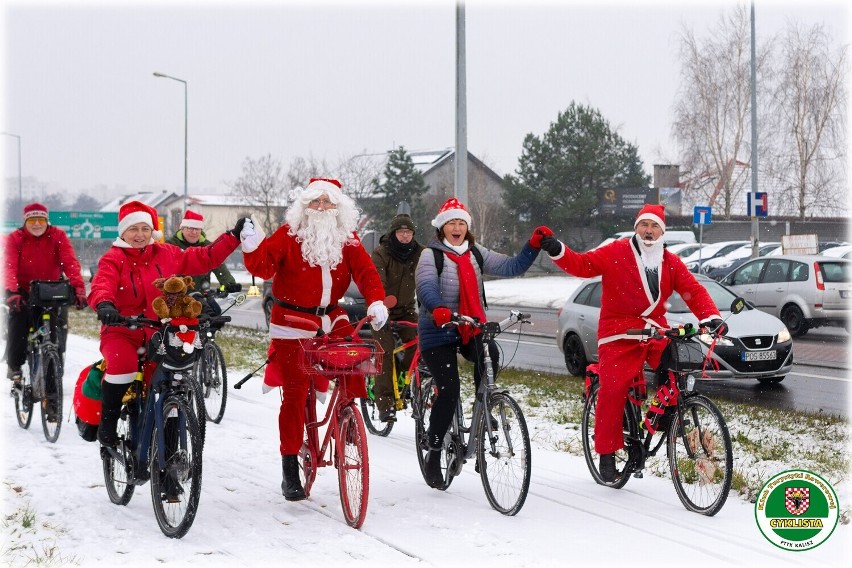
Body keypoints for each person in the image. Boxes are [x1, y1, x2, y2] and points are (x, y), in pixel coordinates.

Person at [537, 204, 726, 482]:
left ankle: (665, 413)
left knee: (676, 358)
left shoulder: (669, 261)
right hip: (619, 331)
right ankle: (607, 453)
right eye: (644, 226)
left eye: (655, 227)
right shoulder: (616, 251)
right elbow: (584, 264)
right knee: (613, 389)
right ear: (636, 227)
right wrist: (558, 250)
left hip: (654, 329)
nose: (649, 232)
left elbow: (693, 290)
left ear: (662, 231)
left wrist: (711, 316)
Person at [241, 177, 389, 502]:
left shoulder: (347, 240)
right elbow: (264, 267)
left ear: (338, 208)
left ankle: (348, 424)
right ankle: (289, 464)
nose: (321, 208)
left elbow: (366, 272)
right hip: (291, 320)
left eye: (328, 202)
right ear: (304, 207)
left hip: (330, 316)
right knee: (294, 393)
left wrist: (376, 300)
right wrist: (252, 245)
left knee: (354, 361)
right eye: (315, 202)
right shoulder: (289, 235)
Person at [87, 200, 246, 447]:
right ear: (123, 232)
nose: (139, 235)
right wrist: (105, 304)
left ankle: (170, 454)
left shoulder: (168, 253)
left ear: (152, 231)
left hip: (158, 331)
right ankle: (107, 426)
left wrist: (233, 237)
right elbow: (102, 284)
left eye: (144, 229)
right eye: (133, 229)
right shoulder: (113, 258)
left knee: (169, 381)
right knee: (123, 366)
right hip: (121, 329)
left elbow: (205, 257)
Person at [415, 197, 548, 489]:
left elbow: (512, 266)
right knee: (449, 391)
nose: (457, 227)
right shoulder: (431, 255)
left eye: (461, 222)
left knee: (491, 355)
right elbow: (425, 285)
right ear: (442, 228)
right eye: (452, 222)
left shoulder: (475, 253)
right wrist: (438, 308)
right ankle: (434, 451)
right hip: (438, 330)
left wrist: (533, 246)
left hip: (470, 326)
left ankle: (483, 407)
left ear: (467, 227)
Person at [3, 202, 87, 388]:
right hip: (25, 289)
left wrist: (78, 290)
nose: (37, 224)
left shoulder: (58, 236)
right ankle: (15, 365)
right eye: (32, 220)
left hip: (52, 290)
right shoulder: (15, 238)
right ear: (25, 222)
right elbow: (8, 267)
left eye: (41, 219)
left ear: (47, 221)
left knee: (56, 332)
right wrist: (12, 292)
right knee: (19, 322)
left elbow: (70, 263)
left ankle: (53, 368)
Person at [370, 211, 425, 423]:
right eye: (401, 232)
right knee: (384, 352)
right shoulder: (381, 254)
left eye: (409, 232)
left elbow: (429, 277)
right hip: (381, 309)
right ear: (393, 233)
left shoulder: (420, 253)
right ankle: (385, 404)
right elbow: (376, 283)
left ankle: (411, 383)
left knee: (421, 344)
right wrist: (380, 306)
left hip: (407, 309)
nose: (405, 236)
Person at [165, 209, 242, 302]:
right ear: (182, 228)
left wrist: (229, 284)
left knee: (215, 312)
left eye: (197, 229)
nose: (194, 232)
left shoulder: (207, 246)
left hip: (201, 295)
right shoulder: (170, 245)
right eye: (190, 228)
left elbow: (220, 268)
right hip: (176, 297)